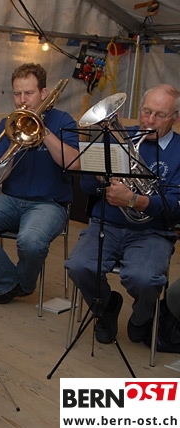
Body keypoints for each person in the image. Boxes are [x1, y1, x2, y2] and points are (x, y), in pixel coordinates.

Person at [66, 84, 180, 344]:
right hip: (106, 224)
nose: (149, 120)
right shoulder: (117, 137)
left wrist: (137, 201)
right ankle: (105, 308)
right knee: (78, 266)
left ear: (175, 118)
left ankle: (142, 317)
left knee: (144, 279)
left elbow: (176, 207)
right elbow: (86, 187)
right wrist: (100, 177)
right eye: (146, 111)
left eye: (160, 115)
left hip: (153, 232)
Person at [0, 63, 79, 304]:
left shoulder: (63, 121)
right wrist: (15, 144)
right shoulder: (9, 124)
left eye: (29, 93)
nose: (22, 100)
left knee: (31, 242)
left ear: (44, 93)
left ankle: (24, 284)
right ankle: (7, 283)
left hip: (50, 203)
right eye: (17, 94)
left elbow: (73, 163)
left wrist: (43, 132)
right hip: (10, 198)